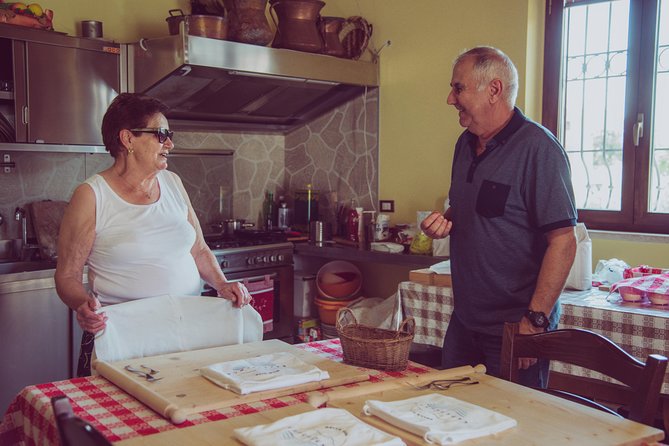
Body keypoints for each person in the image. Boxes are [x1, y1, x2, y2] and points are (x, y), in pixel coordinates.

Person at [55, 93, 252, 376]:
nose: (170, 143)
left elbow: (198, 249)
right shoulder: (92, 195)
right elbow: (67, 276)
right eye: (161, 134)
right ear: (128, 139)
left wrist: (222, 284)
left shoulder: (172, 183)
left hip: (183, 331)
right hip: (123, 339)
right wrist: (82, 303)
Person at [421, 47, 577, 387]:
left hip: (516, 326)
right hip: (465, 321)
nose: (450, 98)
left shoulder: (540, 149)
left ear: (494, 90)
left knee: (514, 430)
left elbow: (564, 241)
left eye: (458, 88)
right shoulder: (465, 144)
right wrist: (443, 221)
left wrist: (534, 321)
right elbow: (472, 209)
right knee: (453, 421)